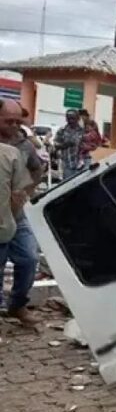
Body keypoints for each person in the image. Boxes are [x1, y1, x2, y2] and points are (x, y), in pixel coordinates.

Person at [0, 100, 41, 326]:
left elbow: (37, 169)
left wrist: (27, 191)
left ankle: (17, 305)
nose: (15, 125)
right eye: (9, 121)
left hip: (17, 214)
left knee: (29, 257)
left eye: (18, 121)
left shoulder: (24, 145)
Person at [54, 109, 84, 179]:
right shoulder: (62, 130)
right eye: (68, 118)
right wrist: (65, 145)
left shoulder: (83, 131)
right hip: (67, 164)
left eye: (73, 118)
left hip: (81, 164)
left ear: (78, 118)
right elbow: (55, 145)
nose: (71, 121)